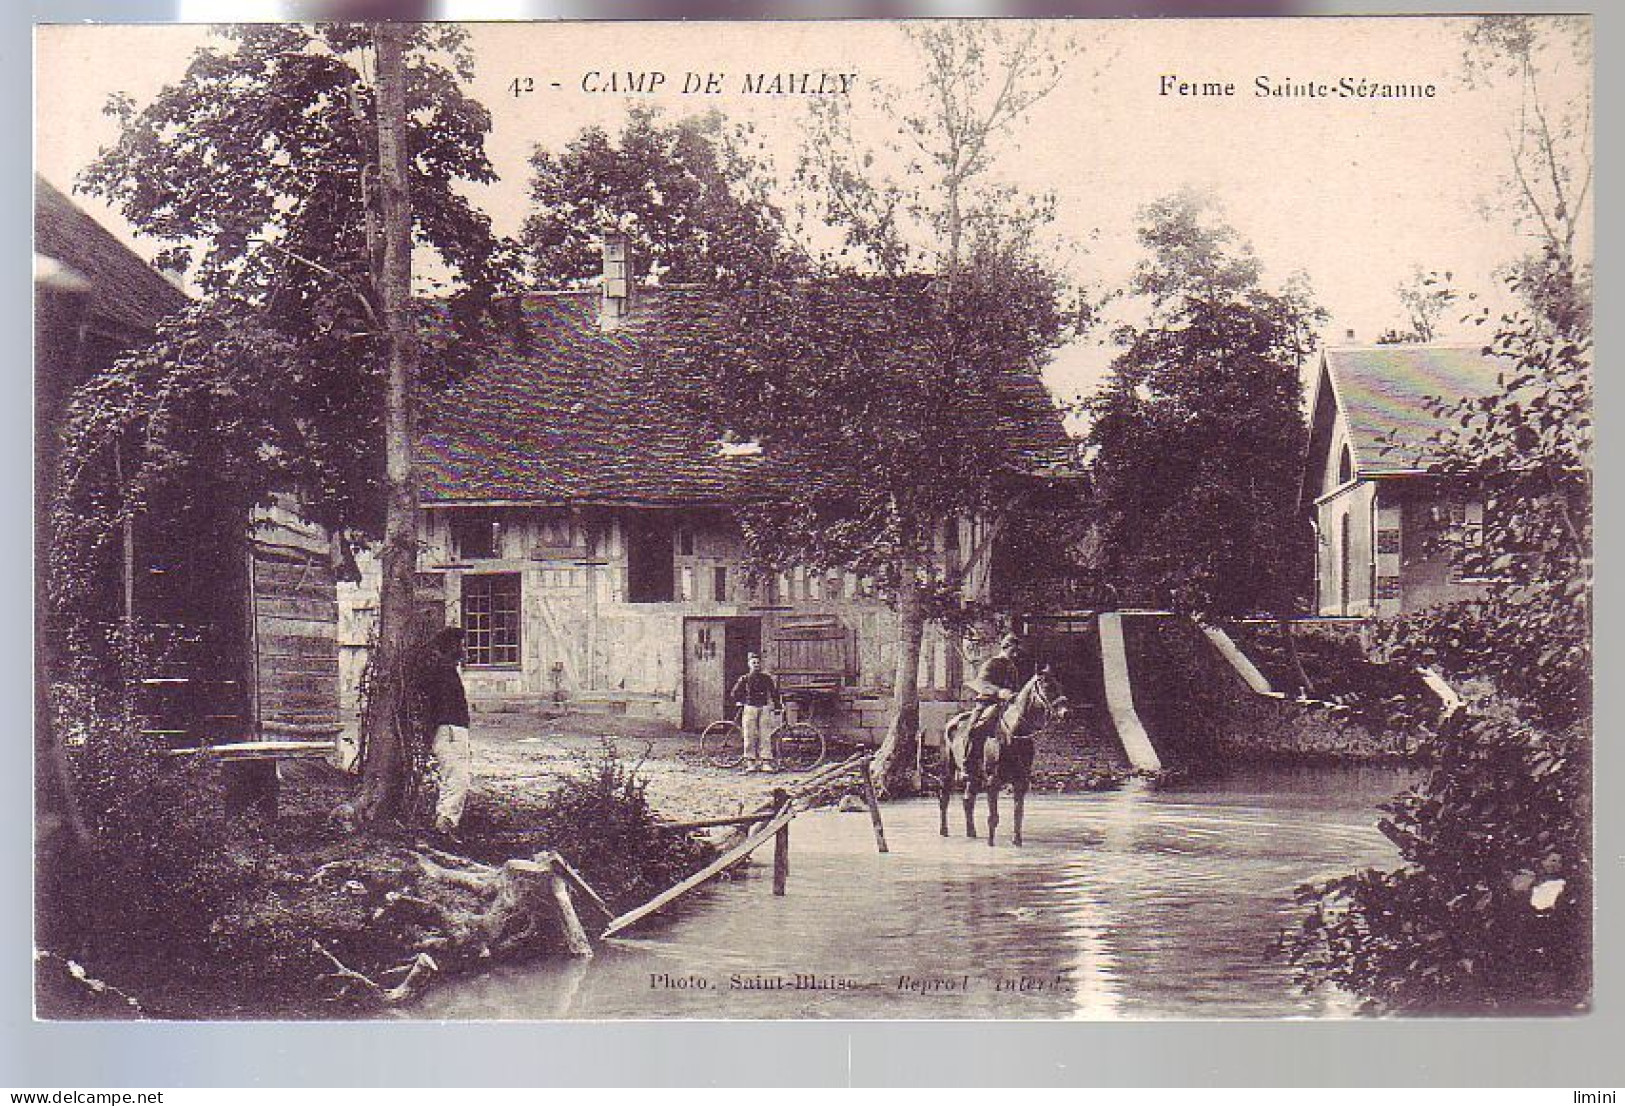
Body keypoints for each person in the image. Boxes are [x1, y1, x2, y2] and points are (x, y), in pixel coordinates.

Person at [419, 626, 473, 838]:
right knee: (458, 779)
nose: (463, 649)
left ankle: (445, 823)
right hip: (450, 730)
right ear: (451, 647)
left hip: (453, 730)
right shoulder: (441, 672)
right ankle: (444, 826)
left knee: (455, 777)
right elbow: (433, 708)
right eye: (460, 645)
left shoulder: (446, 671)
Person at [967, 633, 1026, 746]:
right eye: (1012, 650)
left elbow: (1015, 687)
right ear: (1005, 647)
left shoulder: (1013, 667)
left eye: (1017, 651)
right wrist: (999, 692)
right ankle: (969, 756)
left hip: (1008, 705)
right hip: (988, 702)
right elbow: (981, 683)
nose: (1015, 654)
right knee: (976, 728)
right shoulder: (992, 663)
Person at [729, 651, 784, 772]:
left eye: (758, 663)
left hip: (764, 708)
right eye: (753, 663)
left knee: (765, 735)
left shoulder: (766, 678)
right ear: (749, 664)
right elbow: (734, 693)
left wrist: (777, 705)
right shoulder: (745, 679)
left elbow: (774, 693)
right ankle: (750, 762)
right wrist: (740, 701)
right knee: (749, 735)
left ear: (761, 665)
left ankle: (766, 762)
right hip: (750, 708)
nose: (756, 665)